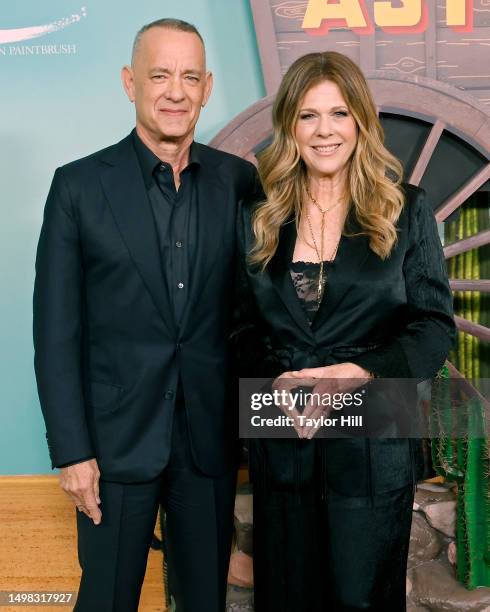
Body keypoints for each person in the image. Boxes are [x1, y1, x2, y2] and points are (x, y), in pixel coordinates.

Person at [33, 18, 257, 612]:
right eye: (160, 75)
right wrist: (71, 452)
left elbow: (256, 312)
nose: (175, 91)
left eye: (189, 77)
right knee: (106, 600)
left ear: (208, 87)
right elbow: (55, 334)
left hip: (208, 446)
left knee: (205, 600)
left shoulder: (239, 183)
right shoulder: (77, 187)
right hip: (112, 449)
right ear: (130, 82)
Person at [234, 52, 456, 611]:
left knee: (362, 598)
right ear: (290, 126)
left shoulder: (406, 210)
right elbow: (236, 328)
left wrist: (363, 370)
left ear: (360, 120)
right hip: (282, 435)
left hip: (374, 436)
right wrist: (273, 377)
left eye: (338, 113)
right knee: (286, 596)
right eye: (308, 116)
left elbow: (433, 328)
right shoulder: (257, 215)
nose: (325, 130)